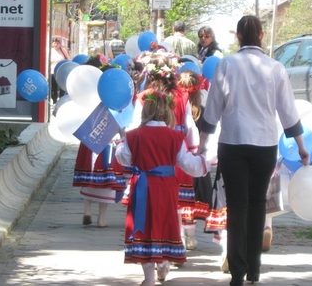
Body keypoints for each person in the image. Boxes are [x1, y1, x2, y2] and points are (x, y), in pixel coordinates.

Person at [198, 15, 310, 286]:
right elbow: (288, 112)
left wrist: (202, 145)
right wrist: (302, 147)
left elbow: (212, 110)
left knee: (236, 207)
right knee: (258, 203)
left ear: (238, 36)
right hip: (264, 144)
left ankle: (237, 272)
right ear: (261, 35)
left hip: (233, 142)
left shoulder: (226, 65)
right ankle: (254, 269)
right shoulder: (275, 68)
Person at [115, 90, 210, 286]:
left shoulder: (134, 136)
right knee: (164, 222)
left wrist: (119, 143)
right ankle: (163, 262)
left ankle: (149, 276)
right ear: (167, 112)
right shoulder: (175, 136)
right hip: (166, 189)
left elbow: (123, 158)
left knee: (144, 226)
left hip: (142, 186)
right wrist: (204, 161)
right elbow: (186, 163)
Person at [72, 54, 126, 228]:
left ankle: (87, 210)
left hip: (89, 139)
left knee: (88, 177)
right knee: (107, 181)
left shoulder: (87, 96)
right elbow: (120, 120)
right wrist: (124, 136)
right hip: (107, 140)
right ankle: (101, 218)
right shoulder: (112, 97)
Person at [50, 38, 71, 103]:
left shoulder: (62, 50)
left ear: (59, 44)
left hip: (62, 71)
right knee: (54, 87)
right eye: (54, 43)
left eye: (57, 43)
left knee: (62, 86)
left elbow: (69, 59)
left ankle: (62, 100)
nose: (56, 44)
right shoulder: (50, 51)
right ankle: (54, 101)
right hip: (53, 71)